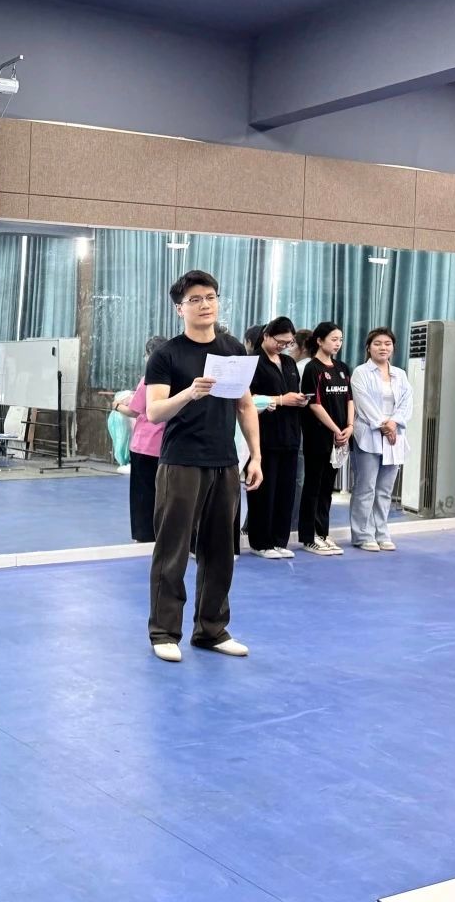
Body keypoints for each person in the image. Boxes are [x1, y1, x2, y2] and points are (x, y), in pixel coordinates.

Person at [144, 270, 262, 663]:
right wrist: (189, 393)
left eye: (210, 297)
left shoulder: (232, 349)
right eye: (194, 299)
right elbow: (155, 411)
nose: (205, 304)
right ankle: (164, 632)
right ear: (180, 308)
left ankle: (212, 630)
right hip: (181, 463)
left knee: (221, 552)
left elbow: (245, 405)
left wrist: (255, 455)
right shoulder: (167, 355)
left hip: (224, 463)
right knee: (173, 550)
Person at [245, 316, 308, 558]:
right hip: (264, 435)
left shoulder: (289, 363)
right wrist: (281, 400)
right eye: (280, 341)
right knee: (264, 491)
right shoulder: (252, 362)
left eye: (288, 343)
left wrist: (298, 400)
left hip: (290, 433)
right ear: (266, 336)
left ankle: (280, 540)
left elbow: (293, 393)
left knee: (286, 490)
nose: (283, 346)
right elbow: (247, 399)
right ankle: (261, 542)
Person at [350, 327, 412, 552]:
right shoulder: (360, 372)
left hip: (394, 436)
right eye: (377, 344)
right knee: (366, 487)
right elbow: (363, 403)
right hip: (369, 434)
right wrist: (384, 425)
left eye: (387, 343)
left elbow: (406, 402)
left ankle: (382, 533)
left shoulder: (400, 374)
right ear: (368, 348)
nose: (383, 348)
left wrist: (394, 423)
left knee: (385, 490)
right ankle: (362, 535)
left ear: (393, 347)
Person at [298, 322, 353, 556]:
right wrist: (335, 429)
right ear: (320, 341)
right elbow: (314, 404)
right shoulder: (313, 369)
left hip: (339, 438)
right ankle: (308, 537)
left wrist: (349, 427)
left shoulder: (342, 368)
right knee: (313, 485)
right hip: (319, 436)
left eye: (340, 339)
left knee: (327, 488)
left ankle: (322, 533)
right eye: (333, 339)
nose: (338, 343)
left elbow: (349, 399)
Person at [112, 335, 168, 543]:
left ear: (150, 356)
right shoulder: (177, 378)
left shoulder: (148, 380)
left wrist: (117, 406)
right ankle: (162, 531)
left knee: (142, 492)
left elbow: (134, 411)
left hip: (145, 445)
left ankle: (144, 534)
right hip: (167, 446)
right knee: (164, 492)